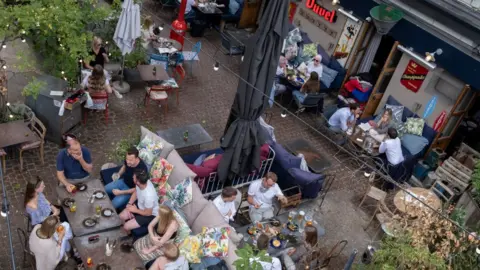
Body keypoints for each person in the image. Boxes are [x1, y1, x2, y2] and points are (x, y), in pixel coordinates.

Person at [119, 169, 159, 234]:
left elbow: (148, 213)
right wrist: (129, 203)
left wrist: (135, 210)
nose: (132, 177)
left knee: (126, 226)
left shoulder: (149, 196)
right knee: (121, 216)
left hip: (150, 215)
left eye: (133, 177)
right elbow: (136, 191)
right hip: (140, 206)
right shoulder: (143, 181)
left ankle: (128, 235)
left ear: (138, 182)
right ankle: (125, 226)